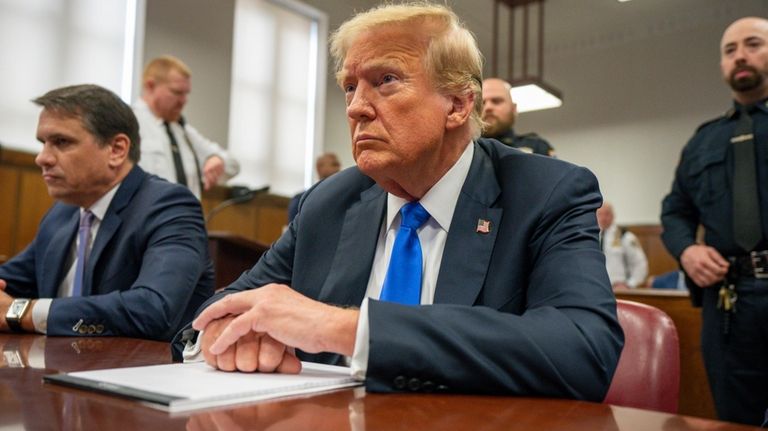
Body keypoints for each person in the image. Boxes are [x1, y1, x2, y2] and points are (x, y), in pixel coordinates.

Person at [187, 3, 622, 401]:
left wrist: (344, 330)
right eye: (350, 87)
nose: (356, 108)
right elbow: (216, 312)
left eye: (385, 80)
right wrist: (223, 335)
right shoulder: (327, 203)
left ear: (456, 104)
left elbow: (584, 350)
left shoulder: (545, 192)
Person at [0, 84, 214, 341]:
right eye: (43, 143)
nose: (42, 158)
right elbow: (10, 280)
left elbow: (153, 309)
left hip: (139, 374)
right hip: (56, 367)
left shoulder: (170, 207)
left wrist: (23, 312)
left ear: (117, 150)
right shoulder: (62, 214)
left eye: (61, 142)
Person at [660, 17, 768, 426]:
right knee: (733, 418)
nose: (740, 55)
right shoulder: (703, 141)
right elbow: (675, 211)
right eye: (730, 50)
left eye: (753, 44)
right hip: (729, 303)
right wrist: (687, 249)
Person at [134, 55, 239, 199]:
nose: (184, 101)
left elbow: (233, 165)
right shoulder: (129, 124)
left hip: (187, 218)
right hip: (148, 218)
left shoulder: (183, 132)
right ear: (150, 86)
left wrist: (217, 160)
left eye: (186, 93)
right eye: (177, 92)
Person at [481, 77, 555, 156]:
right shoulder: (468, 149)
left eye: (496, 101)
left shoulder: (537, 148)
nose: (488, 107)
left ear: (513, 108)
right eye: (482, 103)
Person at [596, 202, 648, 289]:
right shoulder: (593, 237)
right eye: (600, 214)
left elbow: (641, 265)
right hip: (598, 288)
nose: (603, 218)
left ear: (613, 216)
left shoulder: (625, 237)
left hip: (620, 289)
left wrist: (630, 284)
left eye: (607, 214)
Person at [287, 152, 342, 223]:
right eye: (334, 164)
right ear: (319, 168)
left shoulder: (342, 198)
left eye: (338, 165)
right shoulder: (300, 200)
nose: (338, 168)